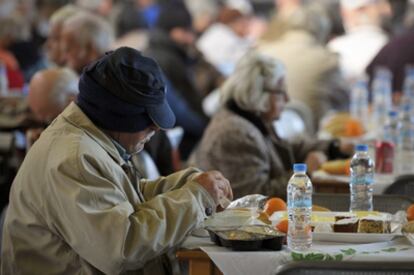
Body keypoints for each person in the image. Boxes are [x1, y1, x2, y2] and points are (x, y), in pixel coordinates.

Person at [1, 47, 233, 274]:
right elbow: (122, 247)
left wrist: (185, 184)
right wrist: (195, 197)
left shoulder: (88, 138)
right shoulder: (74, 159)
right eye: (148, 119)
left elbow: (118, 197)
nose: (156, 128)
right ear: (118, 117)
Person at [190, 51, 352, 199]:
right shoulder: (235, 132)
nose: (287, 99)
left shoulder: (251, 118)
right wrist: (306, 173)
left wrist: (334, 147)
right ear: (257, 93)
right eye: (281, 91)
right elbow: (256, 197)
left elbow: (287, 149)